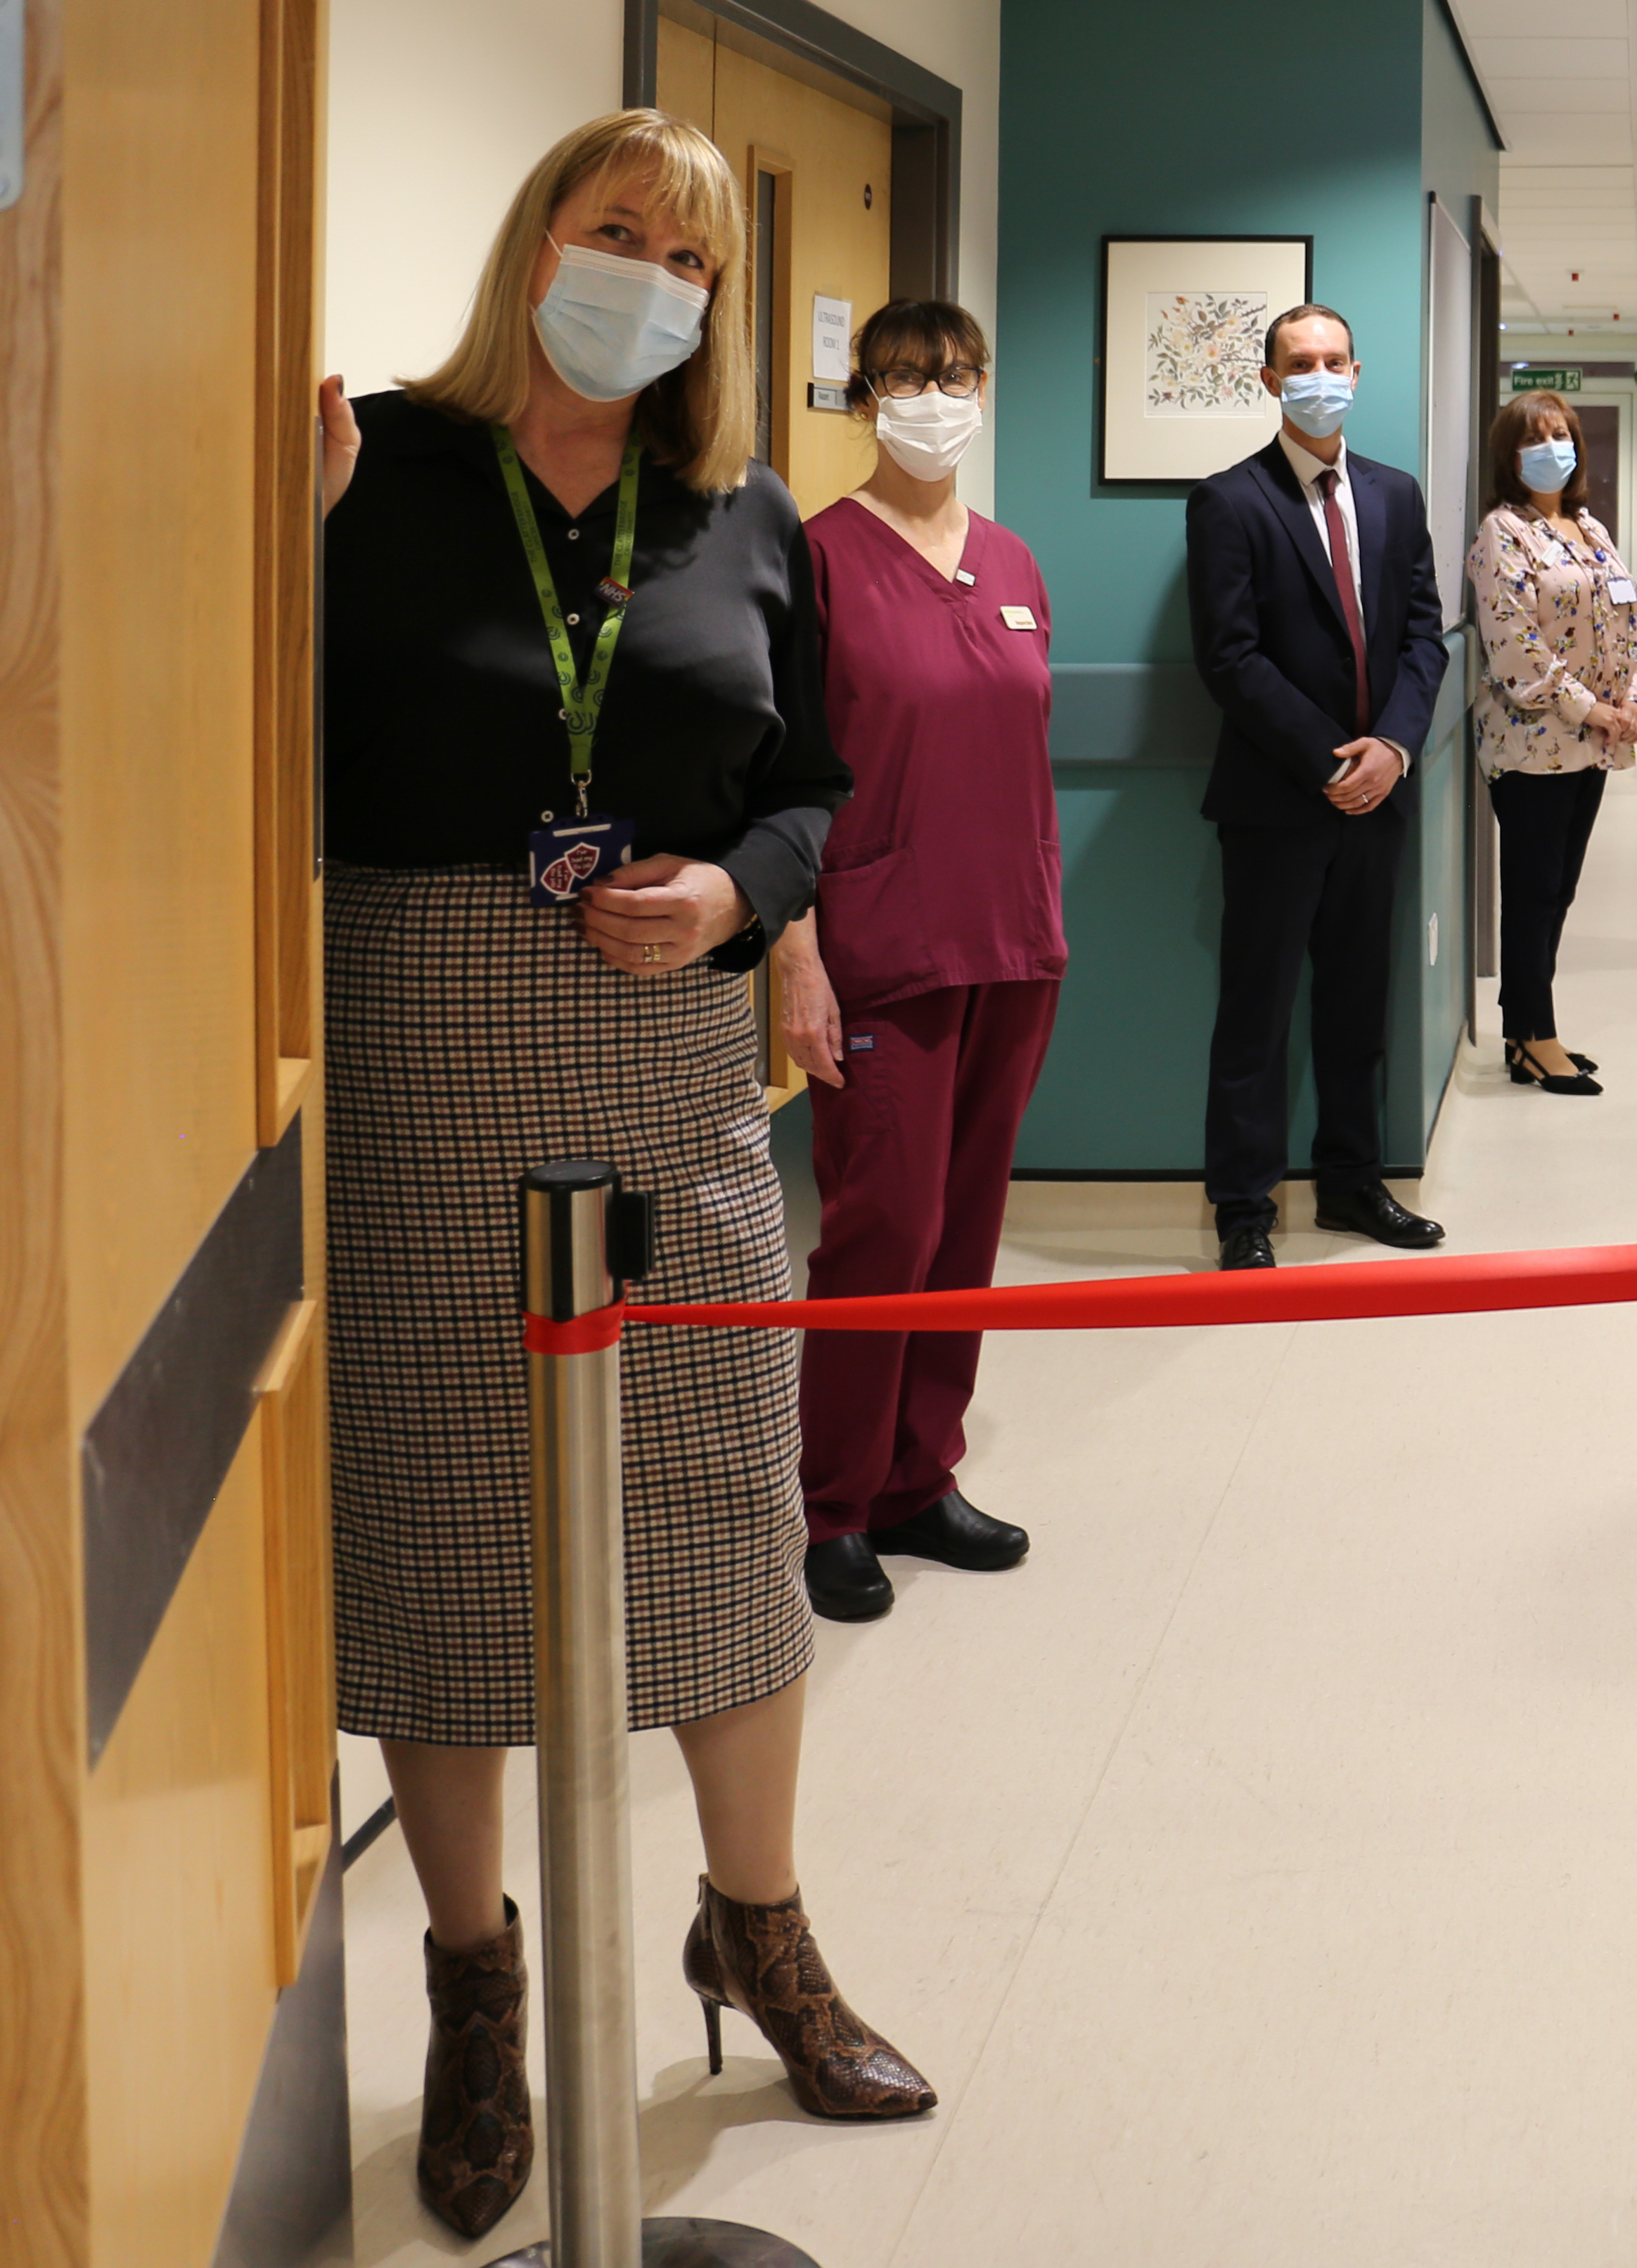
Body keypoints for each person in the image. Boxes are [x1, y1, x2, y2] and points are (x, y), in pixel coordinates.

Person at [315, 110, 933, 2241]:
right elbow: (241, 749)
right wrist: (262, 545)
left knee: (717, 1493)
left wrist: (742, 894)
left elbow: (810, 791)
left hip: (671, 1057)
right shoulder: (371, 474)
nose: (651, 277)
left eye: (688, 254)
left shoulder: (741, 511)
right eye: (615, 233)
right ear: (535, 245)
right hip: (419, 1049)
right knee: (440, 1517)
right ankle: (477, 1988)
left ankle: (757, 1927)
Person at [769, 298, 1065, 1625]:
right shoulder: (815, 559)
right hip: (881, 948)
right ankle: (832, 1502)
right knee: (879, 1230)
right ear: (860, 395)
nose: (931, 396)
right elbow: (776, 773)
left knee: (963, 1228)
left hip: (1009, 936)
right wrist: (800, 957)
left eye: (952, 374)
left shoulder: (1009, 559)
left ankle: (917, 1475)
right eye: (900, 376)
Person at [1186, 302, 1451, 1271]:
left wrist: (1394, 748)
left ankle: (1351, 1183)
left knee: (1355, 1002)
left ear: (1358, 370)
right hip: (1276, 801)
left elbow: (1425, 636)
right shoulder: (1228, 500)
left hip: (1381, 798)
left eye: (1335, 359)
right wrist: (1335, 757)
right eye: (1300, 361)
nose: (1319, 374)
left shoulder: (1394, 495)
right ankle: (1244, 1209)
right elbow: (1230, 657)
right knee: (1255, 1011)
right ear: (1268, 380)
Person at [1465, 390, 1637, 1096]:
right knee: (1533, 891)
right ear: (1509, 458)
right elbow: (1514, 646)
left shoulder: (1591, 528)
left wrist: (1636, 695)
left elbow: (1629, 625)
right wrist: (1591, 709)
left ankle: (1529, 1031)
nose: (1553, 447)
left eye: (1562, 433)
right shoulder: (1500, 533)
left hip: (1594, 743)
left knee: (1561, 890)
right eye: (1535, 438)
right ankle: (1533, 1036)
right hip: (1534, 745)